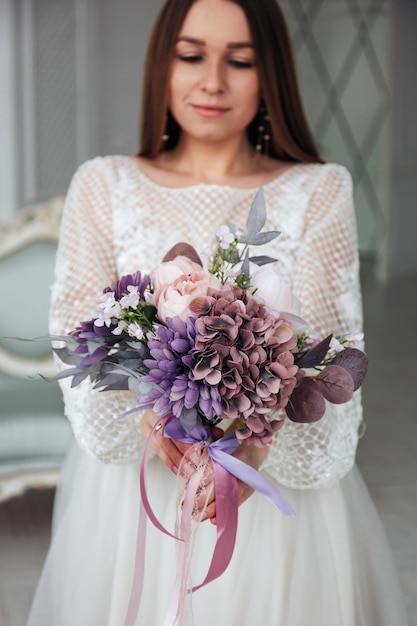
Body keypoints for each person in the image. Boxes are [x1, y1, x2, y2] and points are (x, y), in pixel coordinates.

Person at [27, 0, 408, 624]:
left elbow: (333, 358)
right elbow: (77, 340)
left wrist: (247, 455)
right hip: (135, 501)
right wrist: (158, 429)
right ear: (162, 64)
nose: (212, 81)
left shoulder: (320, 189)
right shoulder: (105, 184)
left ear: (271, 75)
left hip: (274, 502)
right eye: (191, 55)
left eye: (239, 60)